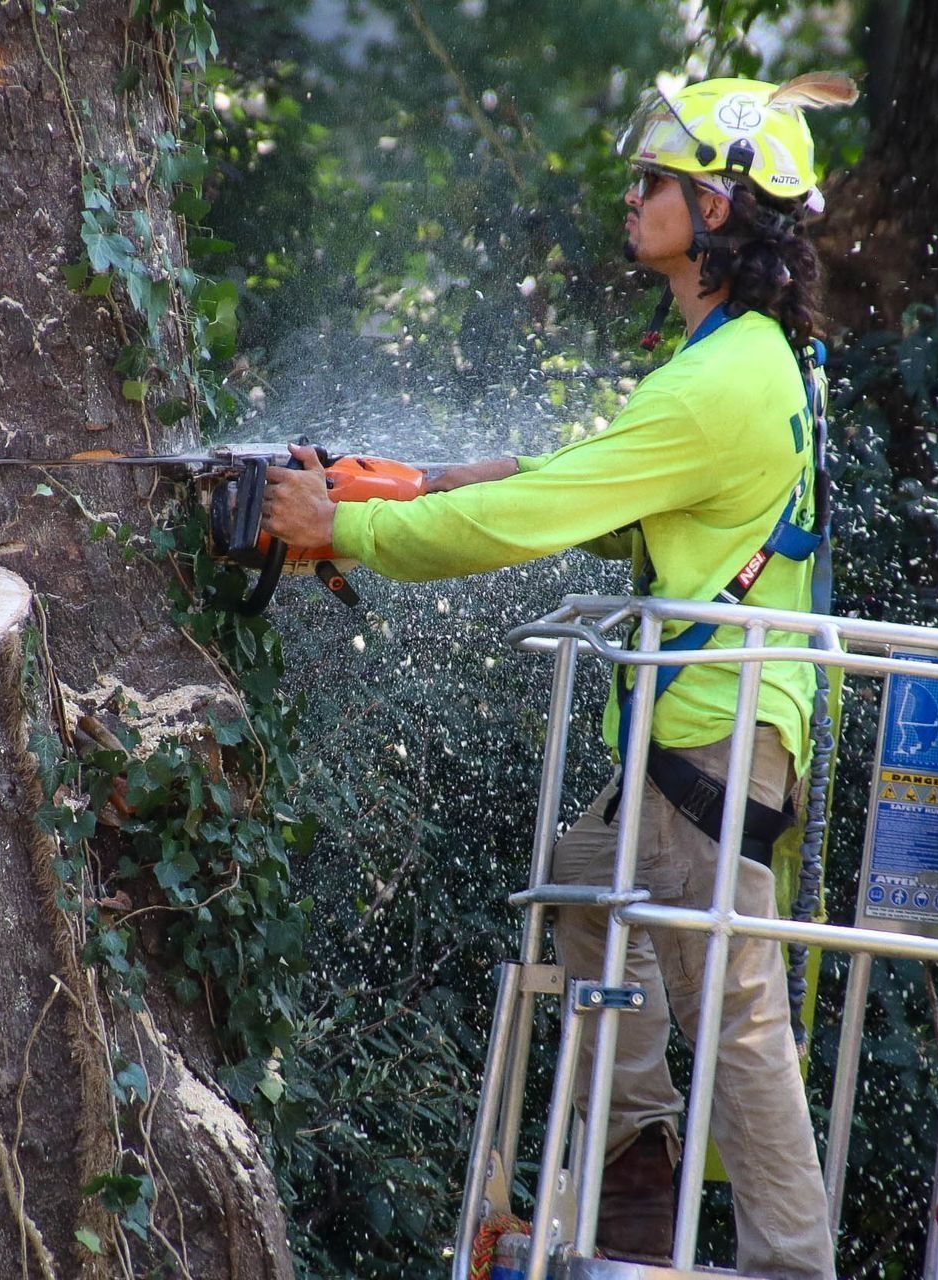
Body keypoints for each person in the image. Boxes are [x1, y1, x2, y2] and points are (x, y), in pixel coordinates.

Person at [261, 72, 855, 1279]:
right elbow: (593, 489)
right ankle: (638, 1167)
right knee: (588, 881)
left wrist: (347, 532)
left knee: (734, 1010)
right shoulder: (743, 358)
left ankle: (792, 1264)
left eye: (655, 182)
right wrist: (423, 484)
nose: (632, 196)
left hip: (709, 731)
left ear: (719, 209)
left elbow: (534, 519)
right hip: (716, 728)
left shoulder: (717, 383)